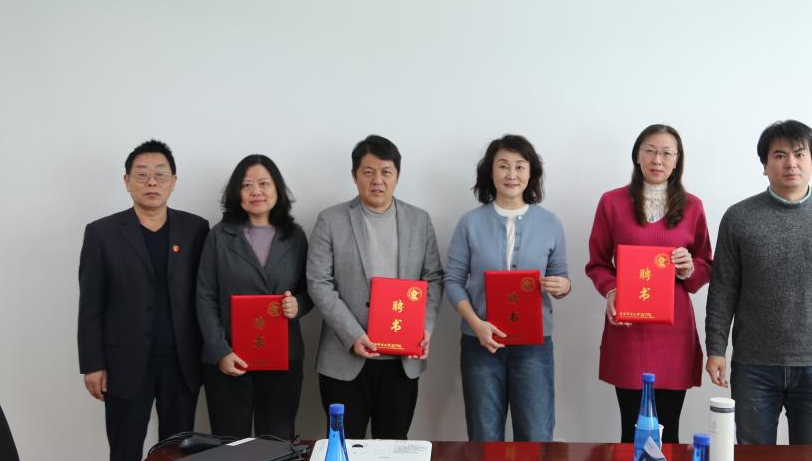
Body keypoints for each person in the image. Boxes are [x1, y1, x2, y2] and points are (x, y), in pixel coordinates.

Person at [704, 120, 812, 449]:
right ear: (765, 165)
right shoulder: (739, 218)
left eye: (799, 154)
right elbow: (723, 290)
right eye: (779, 155)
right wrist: (716, 349)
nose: (791, 163)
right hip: (754, 365)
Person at [78, 140, 209, 461]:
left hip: (181, 361)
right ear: (127, 181)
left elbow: (207, 294)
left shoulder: (195, 229)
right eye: (142, 175)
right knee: (125, 455)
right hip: (123, 362)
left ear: (173, 181)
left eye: (160, 174)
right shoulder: (102, 233)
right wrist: (92, 364)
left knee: (179, 455)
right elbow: (90, 303)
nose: (152, 182)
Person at [307, 135, 443, 440]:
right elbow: (318, 281)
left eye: (386, 172)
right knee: (345, 447)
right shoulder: (330, 219)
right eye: (368, 172)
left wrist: (425, 327)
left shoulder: (419, 220)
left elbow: (433, 277)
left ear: (397, 176)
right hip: (345, 357)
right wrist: (353, 334)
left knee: (393, 447)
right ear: (354, 175)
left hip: (401, 361)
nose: (377, 180)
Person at [585, 124, 712, 444]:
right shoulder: (612, 202)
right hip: (629, 328)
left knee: (669, 430)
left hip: (674, 332)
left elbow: (705, 266)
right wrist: (612, 290)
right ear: (637, 155)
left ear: (677, 160)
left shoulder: (693, 206)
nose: (658, 159)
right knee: (632, 431)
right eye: (650, 151)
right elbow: (597, 263)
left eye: (667, 153)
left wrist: (687, 268)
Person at [445, 135, 571, 442]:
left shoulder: (551, 223)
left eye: (519, 166)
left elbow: (561, 277)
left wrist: (562, 285)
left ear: (531, 173)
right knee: (484, 437)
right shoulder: (469, 222)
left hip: (534, 345)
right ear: (490, 172)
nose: (511, 174)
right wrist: (476, 325)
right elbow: (453, 280)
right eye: (503, 166)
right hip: (480, 344)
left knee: (536, 436)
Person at [196, 154, 313, 440]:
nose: (256, 191)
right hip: (230, 357)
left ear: (277, 189)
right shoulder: (219, 236)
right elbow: (205, 296)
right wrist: (220, 351)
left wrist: (298, 305)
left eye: (264, 183)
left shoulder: (295, 236)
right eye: (247, 185)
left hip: (283, 356)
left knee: (277, 442)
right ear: (236, 193)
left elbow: (311, 289)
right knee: (230, 444)